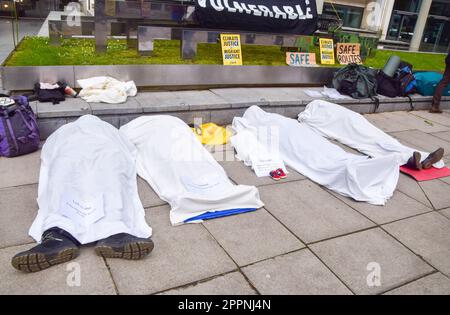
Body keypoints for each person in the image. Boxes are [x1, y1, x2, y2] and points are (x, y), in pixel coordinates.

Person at [12, 116, 154, 273]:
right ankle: (112, 229)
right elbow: (52, 150)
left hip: (105, 148)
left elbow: (124, 149)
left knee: (110, 173)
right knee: (64, 173)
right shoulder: (66, 131)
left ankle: (61, 233)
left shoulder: (107, 130)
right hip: (71, 150)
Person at [298, 100, 445, 171]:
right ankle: (414, 158)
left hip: (354, 124)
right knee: (377, 143)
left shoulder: (316, 108)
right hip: (353, 125)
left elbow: (314, 123)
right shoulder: (320, 107)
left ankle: (420, 158)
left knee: (377, 143)